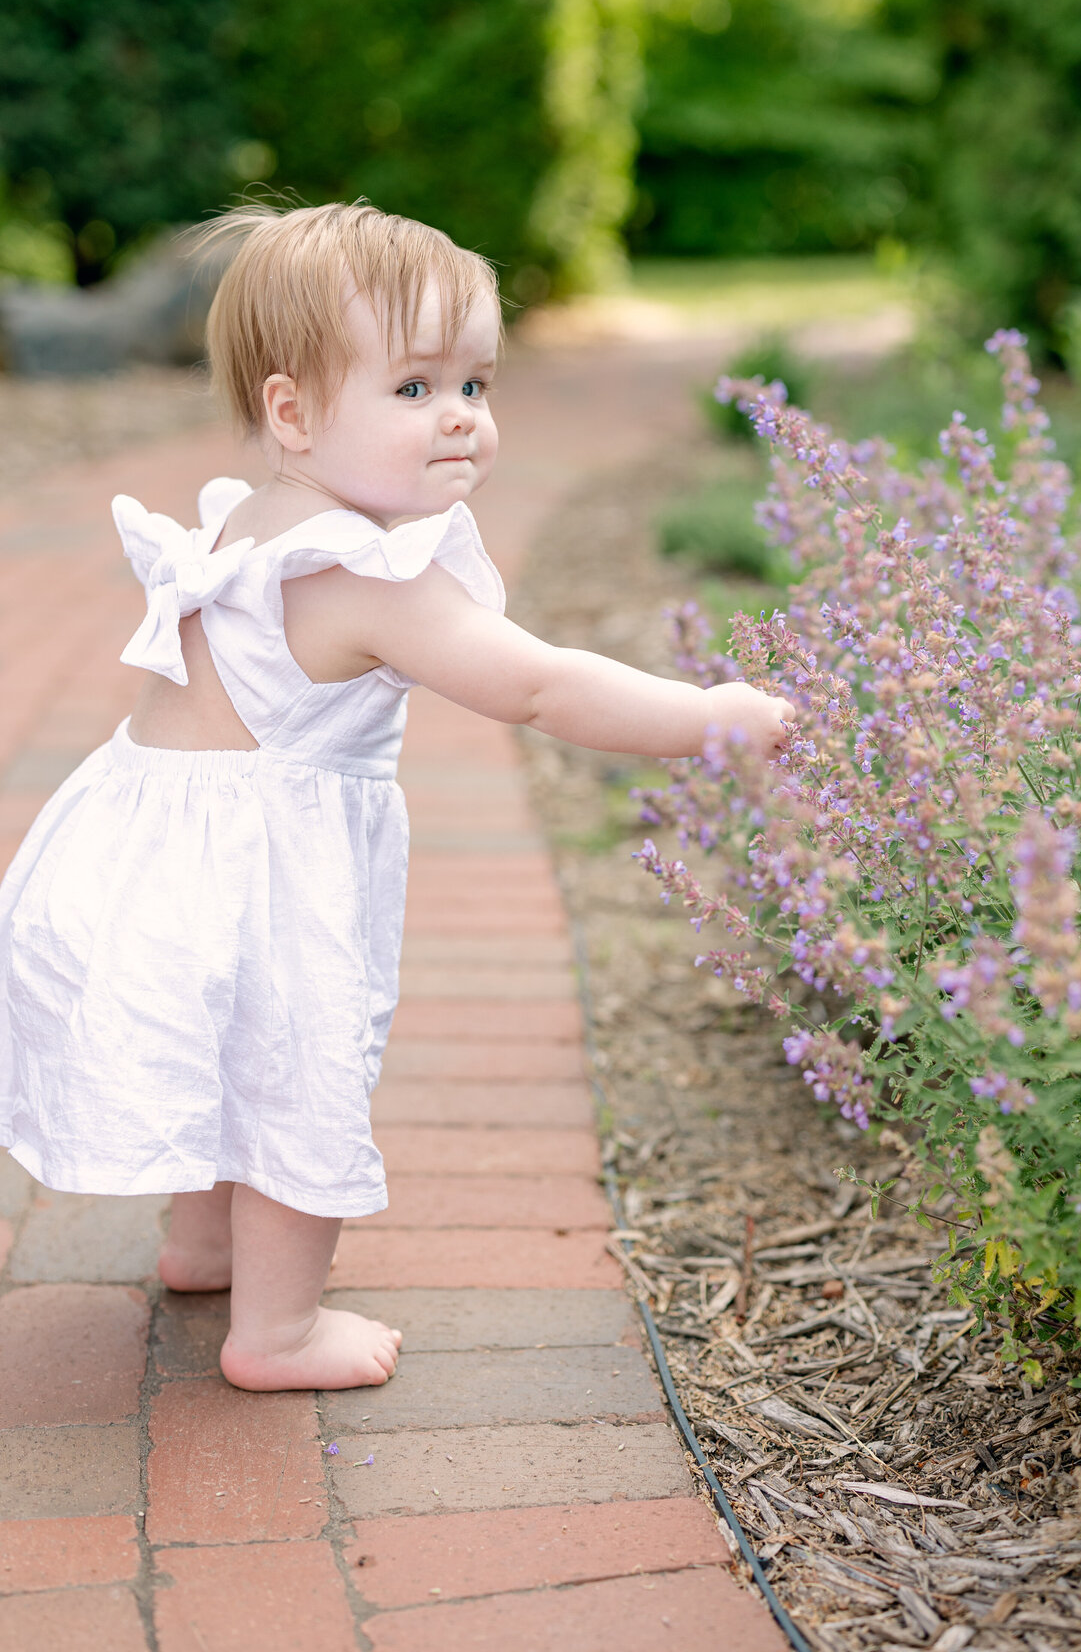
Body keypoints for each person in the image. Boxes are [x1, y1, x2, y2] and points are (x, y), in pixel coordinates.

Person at [0, 200, 793, 1392]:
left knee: (225, 1048)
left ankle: (201, 1239)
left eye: (475, 382)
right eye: (415, 389)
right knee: (295, 1071)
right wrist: (711, 719)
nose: (463, 417)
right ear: (293, 411)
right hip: (258, 862)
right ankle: (276, 1332)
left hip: (152, 839)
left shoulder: (261, 521)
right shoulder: (366, 575)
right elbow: (534, 687)